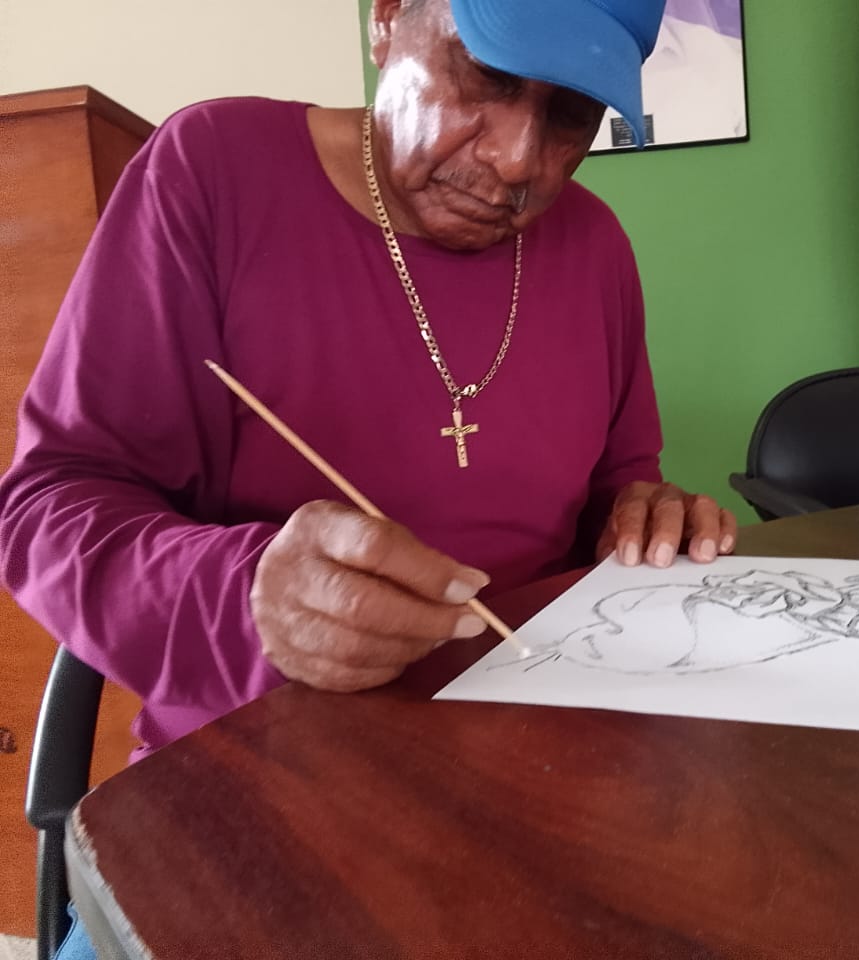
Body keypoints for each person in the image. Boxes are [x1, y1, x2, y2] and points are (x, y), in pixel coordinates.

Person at [0, 2, 737, 955]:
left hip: (537, 785)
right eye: (486, 75)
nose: (519, 160)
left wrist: (645, 512)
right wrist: (248, 595)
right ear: (387, 17)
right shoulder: (212, 170)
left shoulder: (595, 247)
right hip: (248, 796)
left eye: (570, 116)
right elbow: (47, 507)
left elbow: (620, 481)